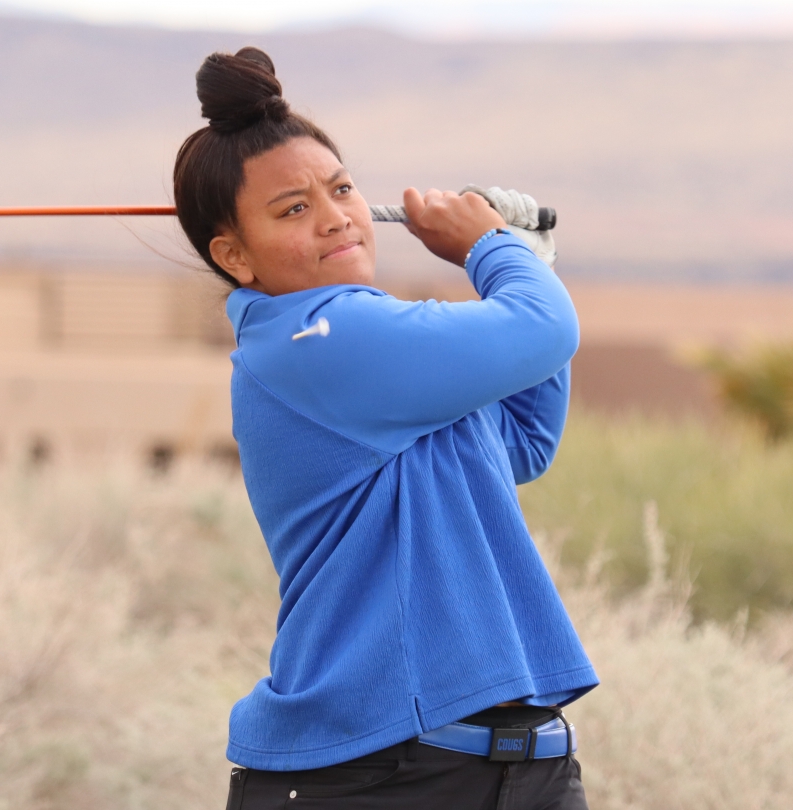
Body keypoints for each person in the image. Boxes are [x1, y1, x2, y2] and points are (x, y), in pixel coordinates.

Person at [173, 46, 598, 810]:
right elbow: (541, 329)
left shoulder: (378, 353)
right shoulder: (316, 340)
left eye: (340, 189)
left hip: (507, 772)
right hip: (378, 778)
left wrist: (532, 255)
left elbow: (523, 444)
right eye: (293, 209)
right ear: (233, 255)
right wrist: (491, 248)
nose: (336, 218)